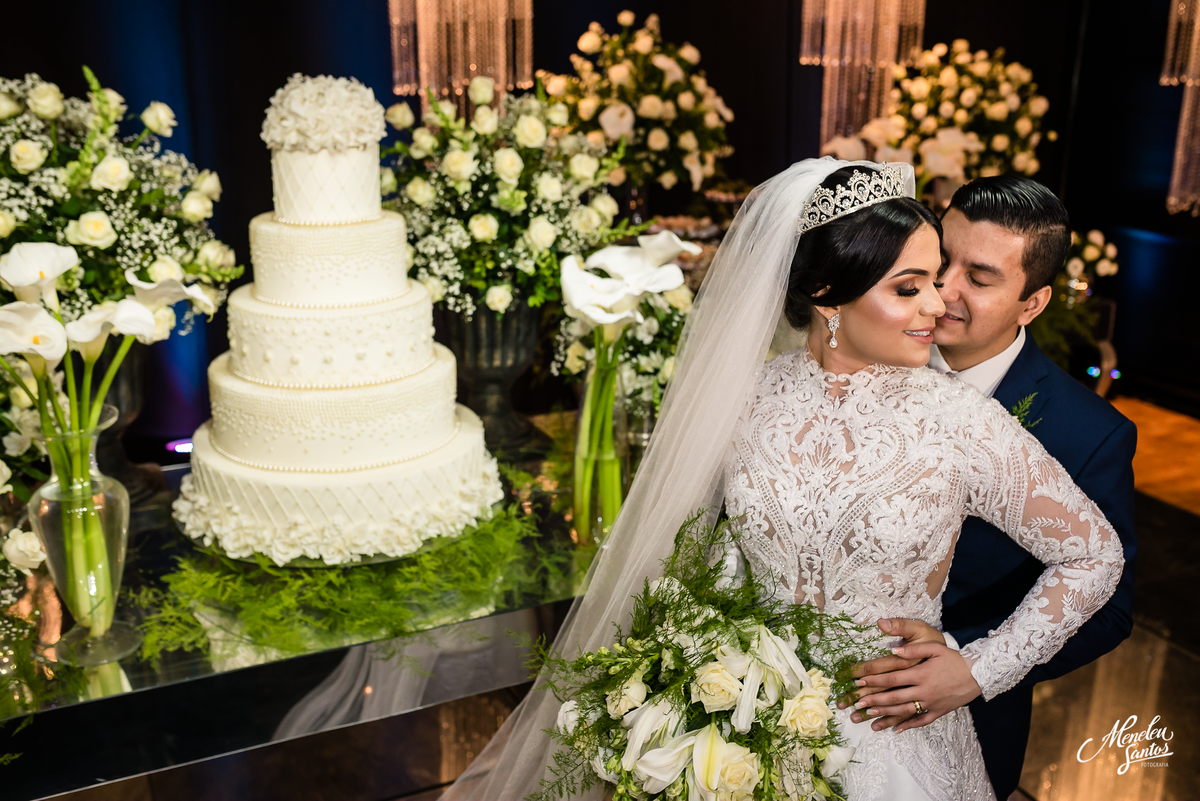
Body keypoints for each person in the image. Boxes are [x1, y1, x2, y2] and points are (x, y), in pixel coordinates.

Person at [442, 159, 1124, 801]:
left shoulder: (960, 418)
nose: (936, 306)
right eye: (909, 287)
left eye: (936, 280)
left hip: (894, 736)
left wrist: (978, 666)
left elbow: (1096, 553)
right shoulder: (748, 395)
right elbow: (722, 549)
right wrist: (697, 669)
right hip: (743, 721)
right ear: (828, 296)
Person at [841, 175, 1138, 800]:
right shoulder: (861, 352)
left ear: (1032, 303)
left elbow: (1110, 608)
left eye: (978, 278)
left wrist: (971, 664)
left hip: (964, 721)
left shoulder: (1089, 432)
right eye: (940, 259)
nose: (942, 291)